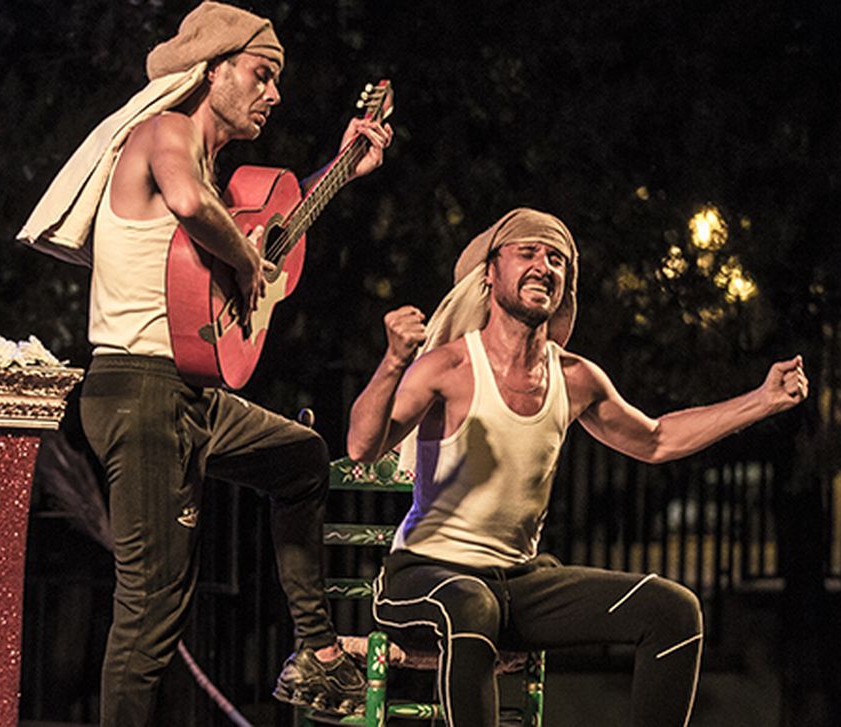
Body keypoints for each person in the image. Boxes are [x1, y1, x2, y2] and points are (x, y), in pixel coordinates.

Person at [16, 2, 393, 724]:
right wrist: (246, 257)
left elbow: (268, 225)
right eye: (260, 74)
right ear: (212, 70)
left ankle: (316, 653)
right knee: (153, 605)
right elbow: (192, 205)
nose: (273, 93)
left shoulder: (214, 166)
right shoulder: (168, 131)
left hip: (188, 392)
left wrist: (341, 169)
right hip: (139, 389)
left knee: (303, 457)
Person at [346, 208, 808, 727]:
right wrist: (392, 363)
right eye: (527, 252)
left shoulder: (576, 378)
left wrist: (762, 400)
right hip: (426, 578)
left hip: (517, 584)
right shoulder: (448, 367)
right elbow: (363, 447)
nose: (544, 265)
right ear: (490, 272)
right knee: (472, 607)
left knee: (672, 610)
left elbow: (656, 440)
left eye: (557, 259)